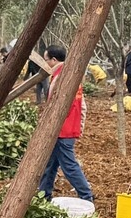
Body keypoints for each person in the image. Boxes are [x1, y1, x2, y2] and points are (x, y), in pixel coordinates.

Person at [38, 45, 94, 203]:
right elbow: (82, 105)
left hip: (62, 130)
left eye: (46, 59)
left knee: (69, 165)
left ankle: (86, 195)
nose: (45, 63)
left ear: (54, 60)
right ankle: (44, 194)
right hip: (66, 128)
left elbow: (53, 106)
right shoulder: (71, 75)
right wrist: (80, 125)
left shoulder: (61, 77)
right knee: (51, 163)